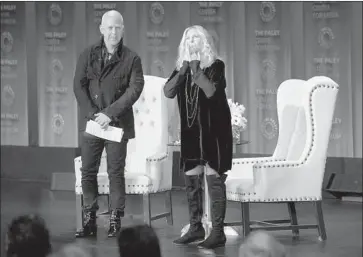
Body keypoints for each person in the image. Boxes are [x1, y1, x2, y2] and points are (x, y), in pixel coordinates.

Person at [73, 10, 144, 238]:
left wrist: (109, 114)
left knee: (115, 172)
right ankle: (89, 219)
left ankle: (115, 218)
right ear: (102, 29)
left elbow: (135, 90)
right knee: (88, 172)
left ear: (123, 30)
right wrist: (94, 115)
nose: (113, 32)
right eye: (109, 28)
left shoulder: (132, 59)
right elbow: (78, 86)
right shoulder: (87, 55)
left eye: (117, 27)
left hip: (116, 124)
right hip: (93, 123)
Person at [163, 25, 233, 249]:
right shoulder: (181, 70)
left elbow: (210, 91)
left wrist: (195, 68)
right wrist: (184, 70)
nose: (192, 41)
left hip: (214, 131)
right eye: (188, 38)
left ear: (204, 42)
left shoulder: (216, 66)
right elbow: (168, 91)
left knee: (213, 178)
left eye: (196, 37)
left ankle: (218, 232)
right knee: (192, 179)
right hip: (191, 133)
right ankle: (196, 227)